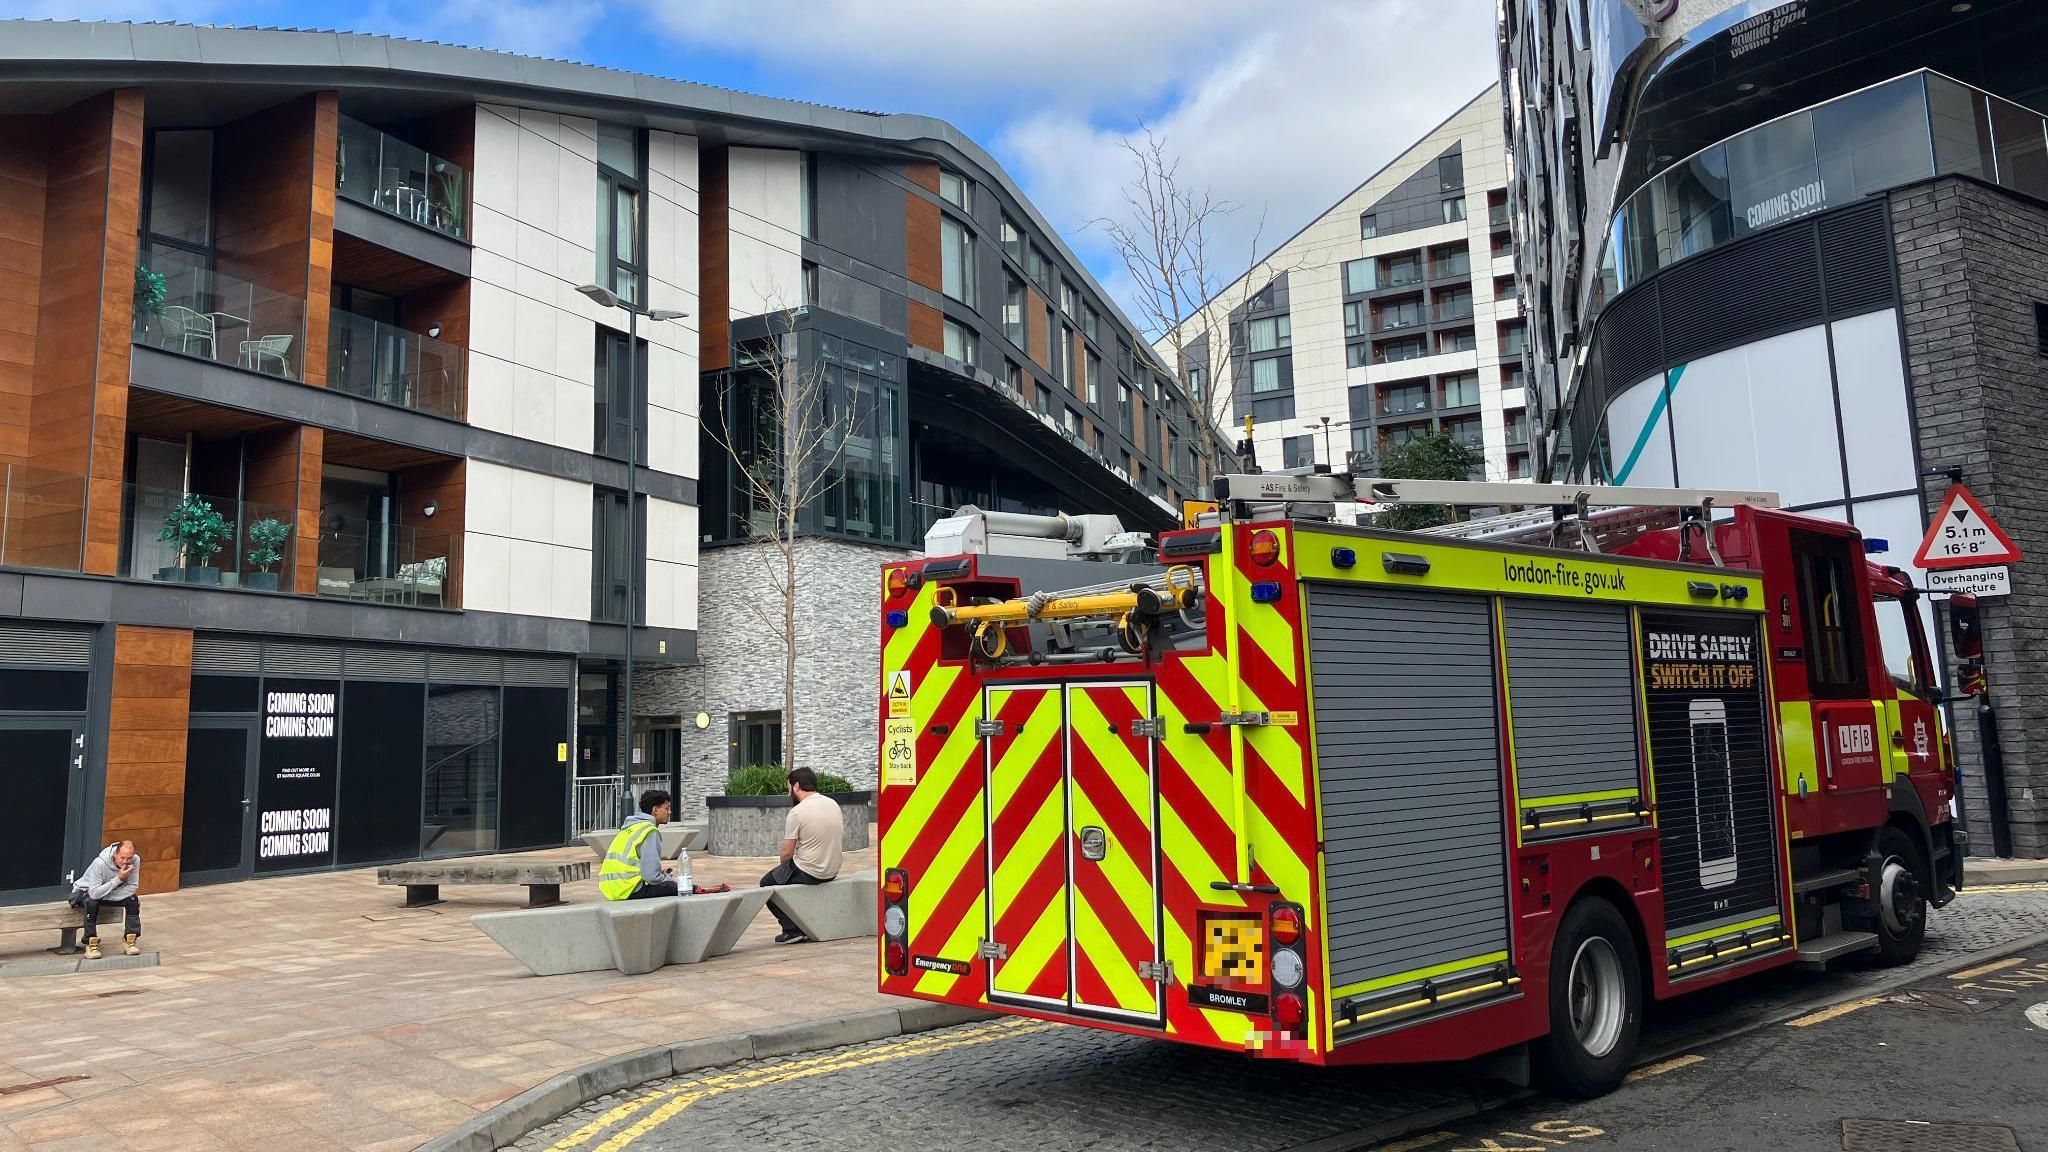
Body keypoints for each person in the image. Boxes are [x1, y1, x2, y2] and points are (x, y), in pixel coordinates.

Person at [761, 767, 842, 944]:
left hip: (810, 871)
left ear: (796, 786)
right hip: (832, 870)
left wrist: (783, 868)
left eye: (788, 787)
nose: (788, 792)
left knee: (767, 884)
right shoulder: (832, 803)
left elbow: (787, 853)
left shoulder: (797, 812)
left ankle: (792, 930)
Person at [598, 790, 690, 900]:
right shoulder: (650, 832)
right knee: (682, 888)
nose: (669, 812)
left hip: (614, 890)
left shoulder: (631, 827)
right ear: (655, 810)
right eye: (666, 808)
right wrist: (667, 879)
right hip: (630, 890)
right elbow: (651, 877)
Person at [70, 840, 142, 960]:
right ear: (115, 855)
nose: (125, 861)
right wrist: (118, 879)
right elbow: (93, 893)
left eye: (129, 858)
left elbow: (132, 887)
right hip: (83, 892)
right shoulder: (100, 863)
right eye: (122, 858)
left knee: (132, 899)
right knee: (91, 902)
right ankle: (90, 942)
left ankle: (130, 939)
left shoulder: (135, 860)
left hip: (106, 893)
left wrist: (107, 894)